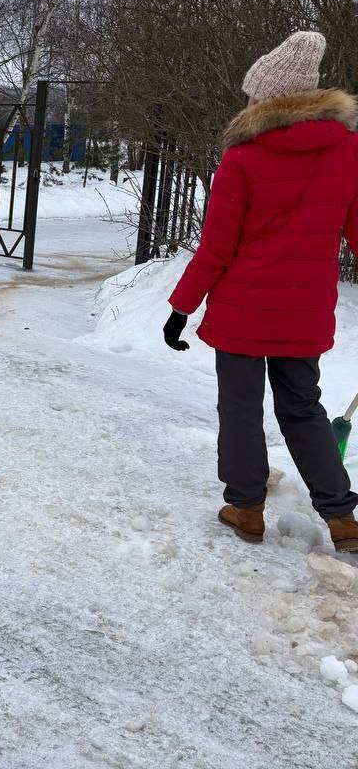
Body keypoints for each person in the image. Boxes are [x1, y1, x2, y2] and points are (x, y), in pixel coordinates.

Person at [164, 30, 358, 552]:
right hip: (304, 312)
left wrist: (181, 308)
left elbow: (216, 250)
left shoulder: (244, 157)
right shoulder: (348, 152)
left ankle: (246, 508)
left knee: (242, 408)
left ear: (269, 100)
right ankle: (342, 517)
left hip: (242, 313)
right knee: (304, 408)